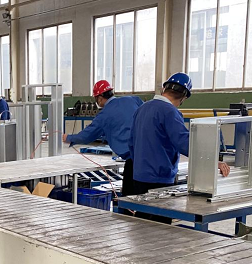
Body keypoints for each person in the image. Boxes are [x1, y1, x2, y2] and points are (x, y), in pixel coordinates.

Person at [129, 72, 230, 223]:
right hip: (160, 178)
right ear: (184, 97)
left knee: (142, 220)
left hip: (139, 176)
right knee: (159, 225)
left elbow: (131, 143)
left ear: (164, 88)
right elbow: (185, 144)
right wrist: (213, 162)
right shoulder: (170, 112)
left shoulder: (141, 109)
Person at [63, 80, 143, 195]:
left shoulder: (104, 115)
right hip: (149, 155)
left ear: (100, 98)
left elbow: (87, 136)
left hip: (134, 162)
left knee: (129, 197)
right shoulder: (132, 100)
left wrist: (68, 138)